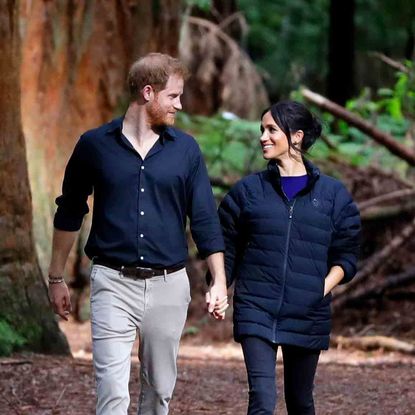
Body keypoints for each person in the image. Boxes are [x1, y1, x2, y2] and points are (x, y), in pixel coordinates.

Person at [48, 52, 229, 415]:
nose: (180, 104)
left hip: (169, 285)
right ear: (148, 93)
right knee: (113, 394)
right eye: (173, 96)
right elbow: (69, 211)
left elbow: (205, 219)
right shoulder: (94, 145)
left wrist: (219, 280)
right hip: (112, 283)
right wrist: (55, 277)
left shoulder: (186, 151)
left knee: (158, 392)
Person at [218, 100, 361, 414]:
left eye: (272, 130)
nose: (263, 137)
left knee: (300, 401)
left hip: (308, 311)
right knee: (262, 400)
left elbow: (347, 254)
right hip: (256, 306)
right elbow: (225, 244)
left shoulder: (333, 196)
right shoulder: (248, 192)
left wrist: (319, 289)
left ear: (296, 137)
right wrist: (219, 285)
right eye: (262, 130)